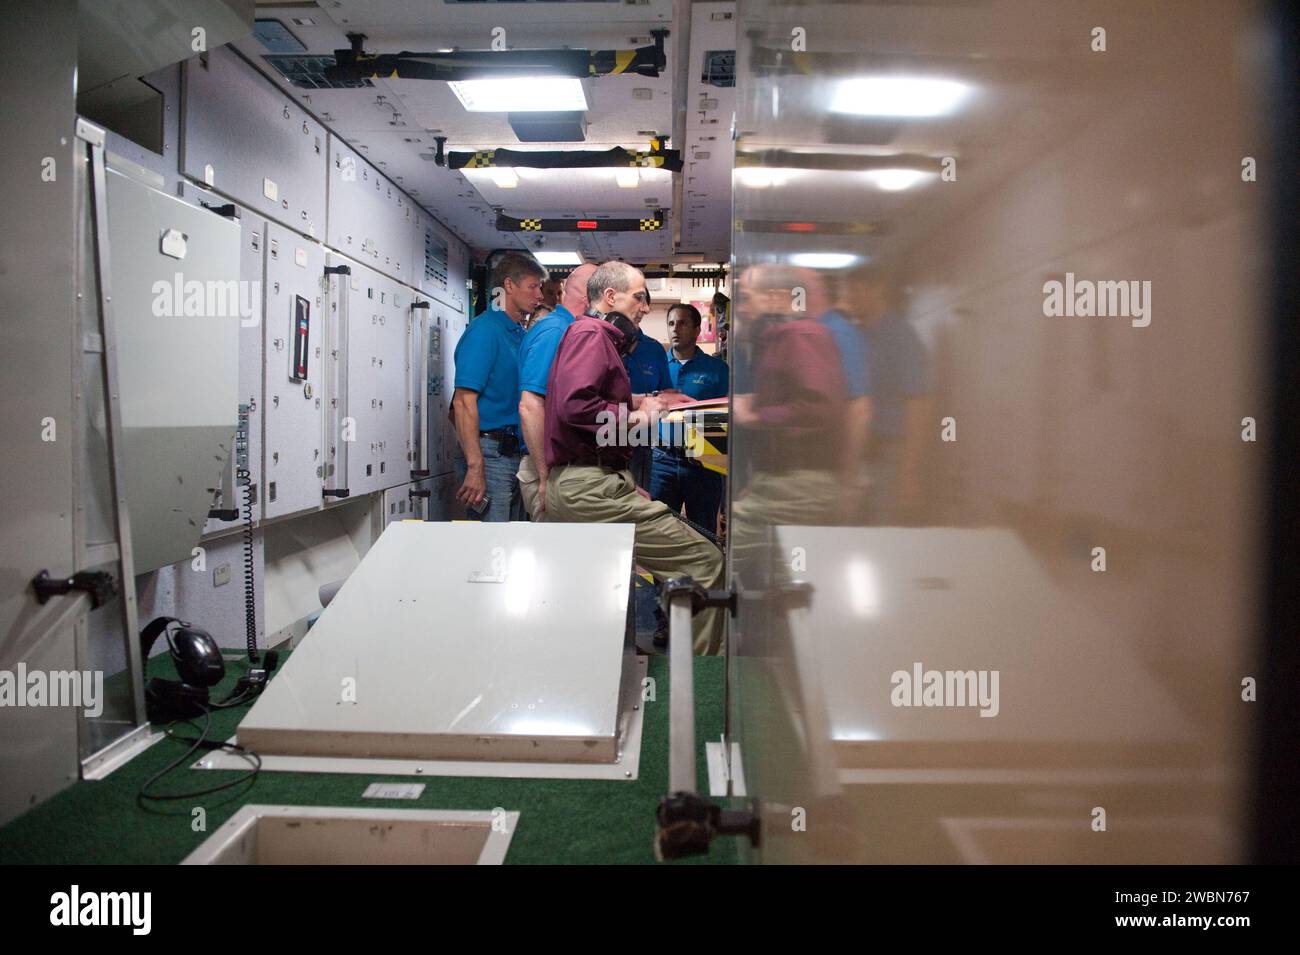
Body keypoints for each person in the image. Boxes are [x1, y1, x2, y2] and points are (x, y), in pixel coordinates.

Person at [543, 268, 725, 655]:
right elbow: (575, 406)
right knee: (705, 562)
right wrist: (642, 418)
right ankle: (699, 695)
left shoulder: (593, 337)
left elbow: (589, 410)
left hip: (596, 481)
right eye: (639, 297)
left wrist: (624, 475)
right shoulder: (592, 335)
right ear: (610, 297)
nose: (645, 307)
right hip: (589, 487)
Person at [450, 251, 545, 521]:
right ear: (509, 286)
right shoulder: (485, 331)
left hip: (515, 454)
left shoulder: (519, 335)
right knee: (492, 544)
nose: (539, 295)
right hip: (489, 456)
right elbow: (463, 402)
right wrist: (475, 466)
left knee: (513, 545)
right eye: (533, 286)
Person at [516, 263, 597, 519]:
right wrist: (545, 476)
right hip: (551, 470)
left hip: (567, 468)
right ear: (588, 296)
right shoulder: (557, 331)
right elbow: (530, 405)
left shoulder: (571, 329)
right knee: (555, 554)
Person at [650, 303, 729, 531]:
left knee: (703, 531)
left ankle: (705, 567)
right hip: (662, 460)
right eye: (671, 323)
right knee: (660, 532)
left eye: (683, 323)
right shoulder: (657, 366)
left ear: (696, 330)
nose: (675, 329)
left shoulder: (717, 369)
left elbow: (727, 413)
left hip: (704, 462)